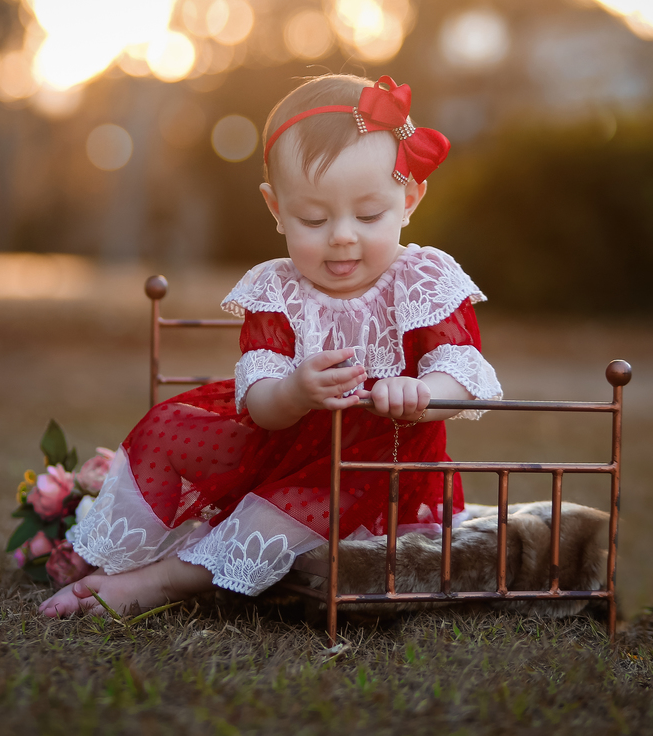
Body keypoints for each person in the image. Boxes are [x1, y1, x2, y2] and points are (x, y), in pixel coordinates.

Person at [39, 74, 502, 618]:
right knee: (169, 428)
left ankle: (163, 582)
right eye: (313, 218)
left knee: (273, 513)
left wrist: (421, 390)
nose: (342, 235)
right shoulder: (278, 289)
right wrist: (295, 389)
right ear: (276, 208)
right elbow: (261, 401)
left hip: (377, 464)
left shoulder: (422, 279)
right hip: (282, 438)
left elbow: (462, 369)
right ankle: (113, 552)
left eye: (369, 214)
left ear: (409, 198)